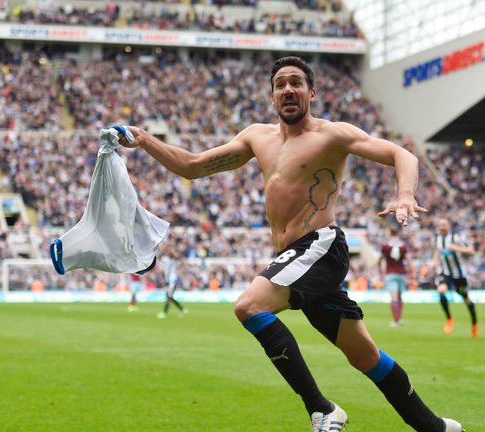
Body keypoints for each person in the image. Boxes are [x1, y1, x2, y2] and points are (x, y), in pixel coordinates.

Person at [116, 56, 464, 432]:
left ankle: (323, 409)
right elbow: (193, 166)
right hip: (294, 257)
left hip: (321, 245)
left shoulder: (332, 134)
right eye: (280, 84)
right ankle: (435, 428)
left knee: (249, 307)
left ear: (311, 93)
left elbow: (402, 154)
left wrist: (405, 194)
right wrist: (145, 139)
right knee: (365, 356)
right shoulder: (257, 137)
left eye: (296, 82)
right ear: (272, 97)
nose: (288, 89)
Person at [430, 217, 478, 338]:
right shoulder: (437, 238)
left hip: (459, 274)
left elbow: (471, 251)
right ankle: (449, 318)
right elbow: (437, 251)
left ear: (449, 226)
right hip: (445, 272)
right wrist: (434, 262)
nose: (442, 227)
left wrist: (457, 248)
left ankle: (474, 324)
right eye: (440, 225)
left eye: (444, 224)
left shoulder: (457, 237)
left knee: (466, 299)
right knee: (441, 291)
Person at [378, 224, 413, 327]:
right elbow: (409, 260)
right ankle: (399, 319)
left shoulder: (385, 245)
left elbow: (381, 259)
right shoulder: (403, 245)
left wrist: (380, 269)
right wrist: (412, 272)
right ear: (398, 233)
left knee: (394, 298)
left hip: (390, 273)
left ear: (389, 233)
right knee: (400, 297)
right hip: (401, 273)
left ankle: (396, 320)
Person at [157, 247, 187, 319]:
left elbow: (177, 257)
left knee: (169, 297)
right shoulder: (167, 260)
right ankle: (182, 309)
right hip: (169, 281)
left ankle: (164, 312)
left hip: (172, 281)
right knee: (170, 297)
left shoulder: (174, 261)